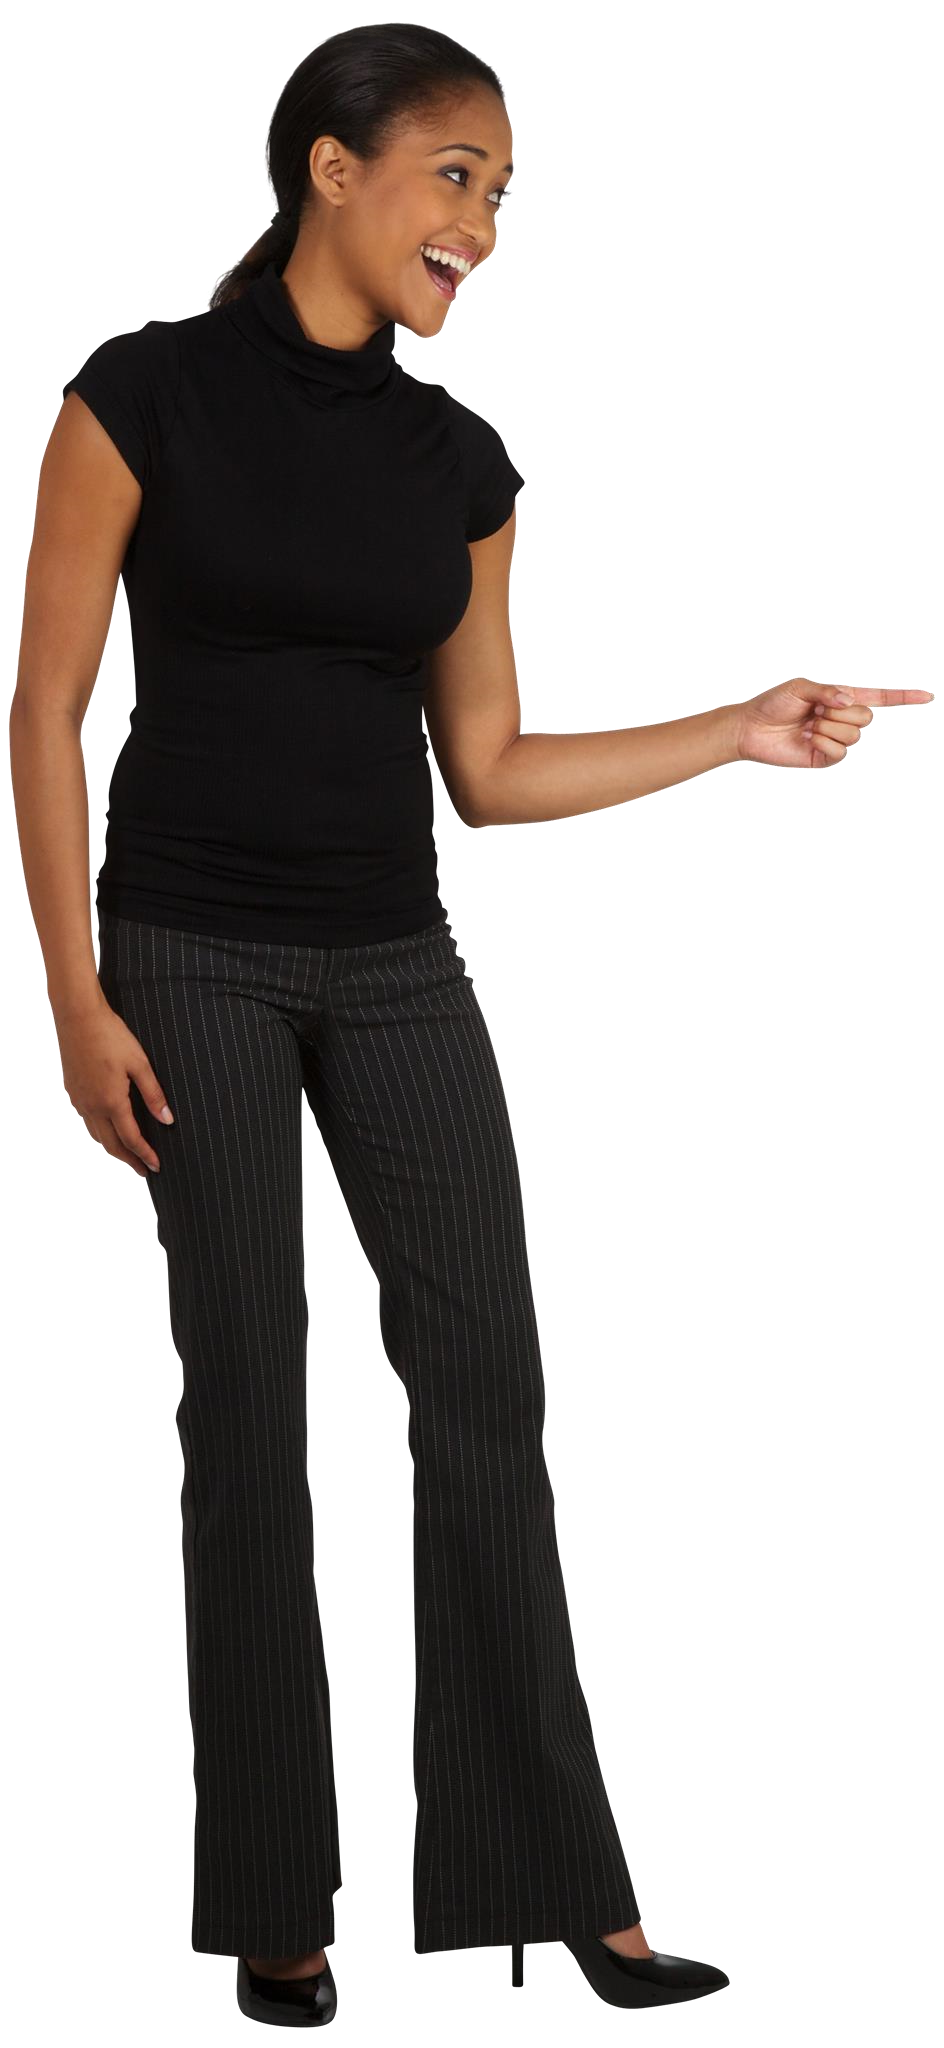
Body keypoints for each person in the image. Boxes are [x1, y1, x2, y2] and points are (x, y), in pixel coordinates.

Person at [11, 22, 932, 2031]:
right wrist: (76, 994)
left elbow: (491, 773)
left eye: (504, 195)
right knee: (251, 1422)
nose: (484, 225)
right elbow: (44, 711)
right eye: (456, 176)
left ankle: (559, 1885)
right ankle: (278, 1907)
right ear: (330, 170)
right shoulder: (139, 391)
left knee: (489, 1404)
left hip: (398, 959)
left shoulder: (463, 464)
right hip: (187, 955)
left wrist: (740, 728)